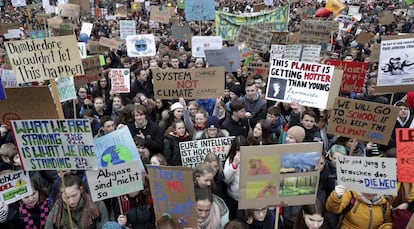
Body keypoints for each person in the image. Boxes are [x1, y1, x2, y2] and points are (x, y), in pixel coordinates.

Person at [325, 185, 391, 229]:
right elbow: (332, 209)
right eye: (366, 188)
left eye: (374, 189)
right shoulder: (351, 195)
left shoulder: (384, 204)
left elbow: (386, 223)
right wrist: (337, 196)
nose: (370, 192)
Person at [224, 136, 247, 220]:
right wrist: (234, 165)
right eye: (238, 150)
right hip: (233, 197)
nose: (240, 153)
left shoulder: (251, 160)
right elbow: (226, 180)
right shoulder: (230, 160)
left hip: (246, 197)